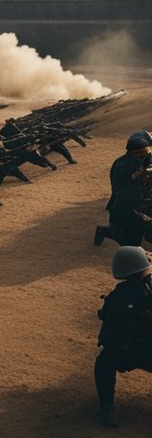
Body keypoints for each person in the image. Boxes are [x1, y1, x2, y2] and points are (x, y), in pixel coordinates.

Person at [94, 246, 152, 427]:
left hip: (124, 352)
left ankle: (107, 409)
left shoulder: (117, 295)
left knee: (103, 362)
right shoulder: (150, 289)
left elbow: (105, 321)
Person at [95, 131, 152, 247]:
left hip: (143, 206)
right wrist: (138, 175)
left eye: (144, 152)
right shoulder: (123, 164)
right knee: (128, 240)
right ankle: (103, 231)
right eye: (137, 153)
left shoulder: (148, 158)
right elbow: (120, 187)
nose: (142, 156)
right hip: (129, 207)